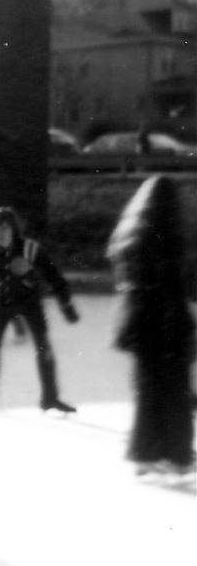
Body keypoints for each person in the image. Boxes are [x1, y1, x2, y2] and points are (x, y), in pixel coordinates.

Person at [106, 176, 195, 476]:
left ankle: (145, 453)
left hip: (138, 322)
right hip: (167, 322)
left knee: (148, 390)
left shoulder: (129, 235)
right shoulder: (168, 235)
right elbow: (176, 285)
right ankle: (177, 456)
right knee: (176, 391)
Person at [0, 207, 80, 413]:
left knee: (44, 348)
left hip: (29, 299)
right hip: (0, 300)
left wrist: (65, 304)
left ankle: (50, 398)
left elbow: (54, 277)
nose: (0, 233)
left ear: (14, 229)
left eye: (4, 228)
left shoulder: (31, 249)